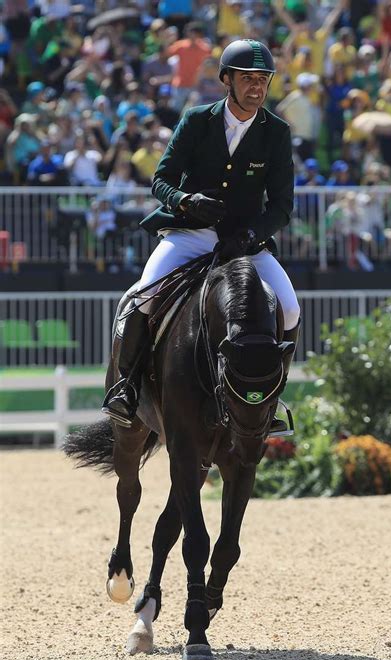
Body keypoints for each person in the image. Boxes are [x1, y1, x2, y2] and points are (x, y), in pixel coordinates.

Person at [102, 39, 300, 432]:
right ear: (226, 79)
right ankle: (126, 388)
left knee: (290, 308)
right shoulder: (197, 120)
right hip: (190, 234)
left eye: (263, 80)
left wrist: (248, 236)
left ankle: (272, 401)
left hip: (244, 243)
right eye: (248, 79)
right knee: (142, 296)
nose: (257, 87)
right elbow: (161, 179)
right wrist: (186, 201)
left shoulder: (276, 132)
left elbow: (280, 207)